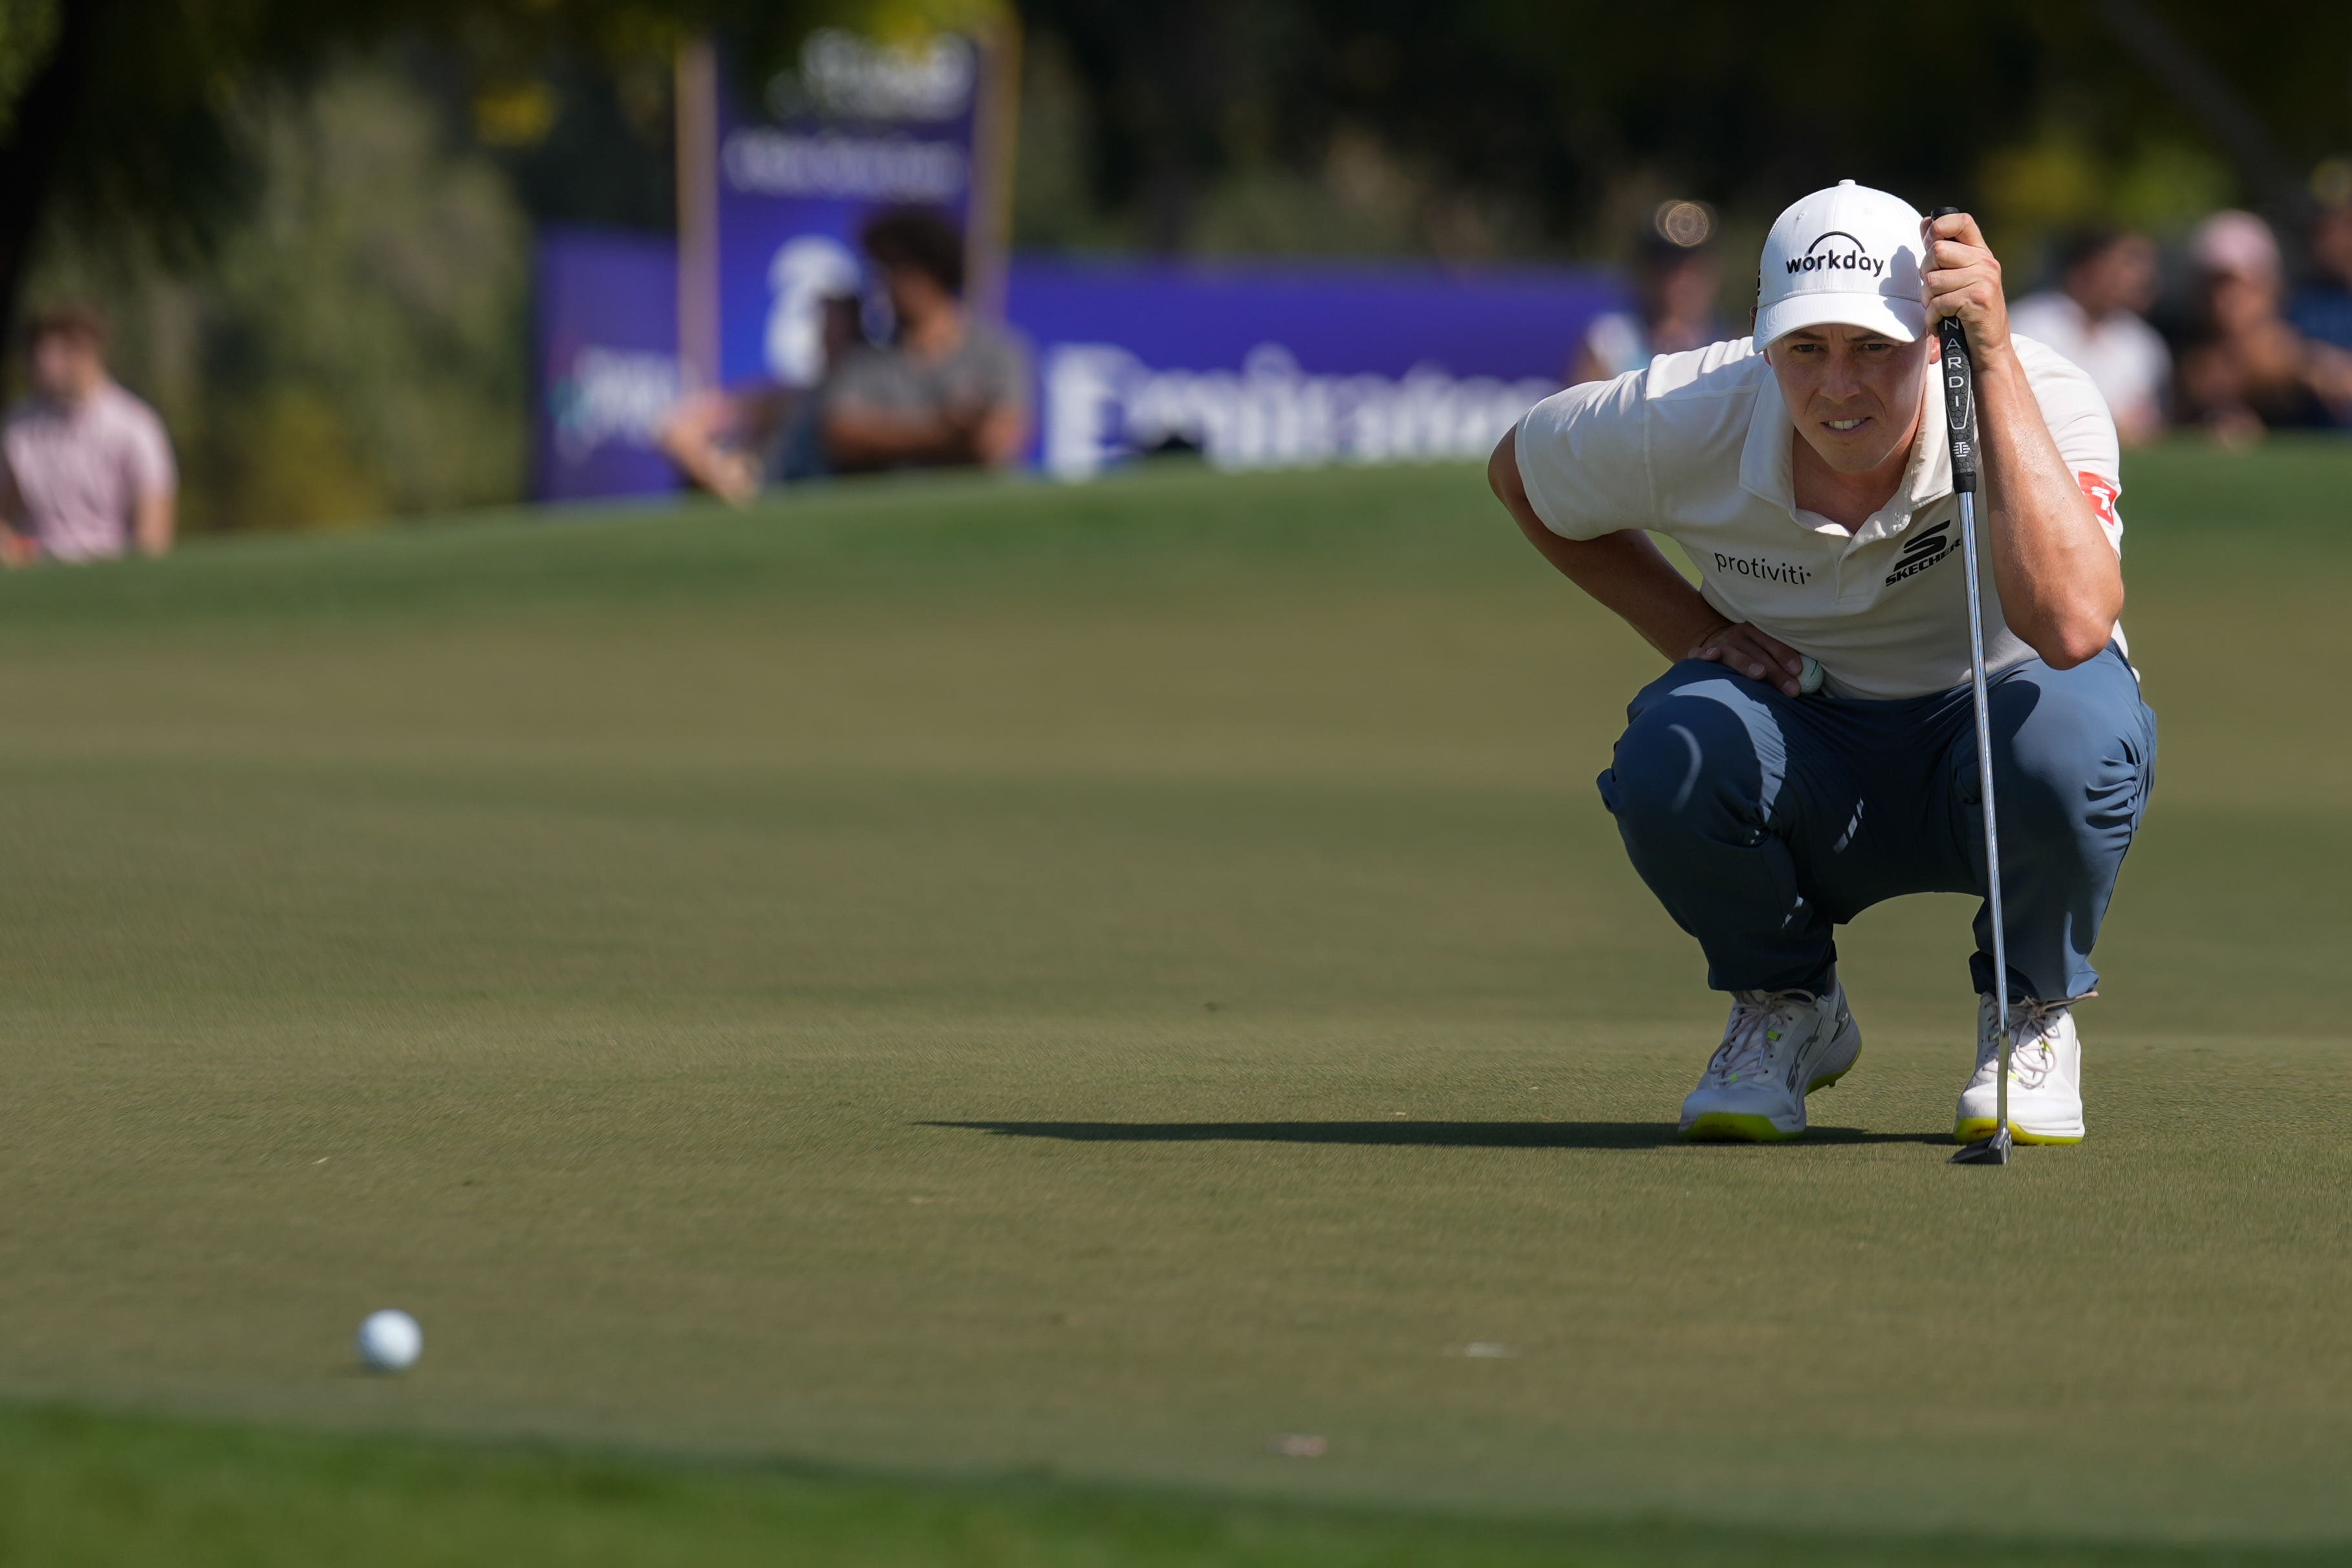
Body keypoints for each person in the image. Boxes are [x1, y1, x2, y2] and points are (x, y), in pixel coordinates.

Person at [1488, 180, 2155, 1146]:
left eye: (1874, 347)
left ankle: (2029, 1010)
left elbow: (2070, 624)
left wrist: (1995, 359)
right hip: (1805, 737)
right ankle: (1788, 1004)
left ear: (1933, 338)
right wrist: (1688, 629)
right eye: (1806, 349)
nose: (1838, 386)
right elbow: (1521, 475)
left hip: (1998, 729)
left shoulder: (2038, 389)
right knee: (1672, 752)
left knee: (2076, 738)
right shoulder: (1687, 408)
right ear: (1763, 340)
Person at [821, 207, 1030, 473]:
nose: (885, 284)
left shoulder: (998, 352)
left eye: (897, 269)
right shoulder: (864, 361)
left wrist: (883, 432)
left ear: (934, 271)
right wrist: (946, 430)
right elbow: (842, 438)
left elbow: (996, 442)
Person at [1, 305, 177, 564]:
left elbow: (154, 531)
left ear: (84, 353)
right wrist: (15, 551)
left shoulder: (135, 426)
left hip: (110, 570)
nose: (42, 363)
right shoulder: (18, 427)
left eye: (54, 354)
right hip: (36, 567)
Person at [660, 292, 862, 503]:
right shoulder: (792, 395)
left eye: (839, 322)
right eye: (827, 323)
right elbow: (678, 429)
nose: (830, 333)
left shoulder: (875, 389)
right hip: (769, 493)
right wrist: (726, 476)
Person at [2173, 210, 2349, 441]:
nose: (2227, 300)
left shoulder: (2314, 325)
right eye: (2215, 287)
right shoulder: (2186, 356)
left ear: (2272, 285)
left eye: (2242, 286)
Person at [2009, 226, 2170, 446]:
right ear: (2087, 266)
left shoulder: (2142, 344)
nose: (2140, 277)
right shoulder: (2025, 325)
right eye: (2127, 263)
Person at [1572, 226, 1726, 385]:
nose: (1681, 283)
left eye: (1694, 269)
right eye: (1668, 268)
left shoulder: (1733, 343)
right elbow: (1586, 402)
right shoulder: (1610, 339)